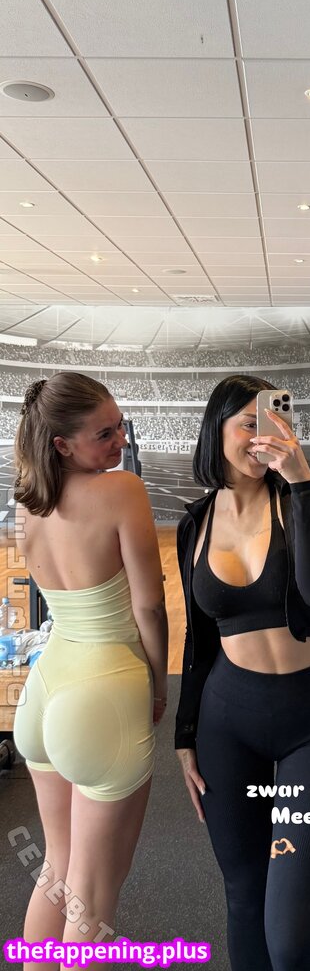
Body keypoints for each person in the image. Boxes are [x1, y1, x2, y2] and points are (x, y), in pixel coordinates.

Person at [175, 374, 310, 971]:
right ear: (217, 429)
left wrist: (300, 477)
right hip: (228, 722)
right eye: (247, 424)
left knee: (293, 938)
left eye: (271, 423)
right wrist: (185, 736)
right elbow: (199, 638)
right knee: (244, 900)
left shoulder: (302, 496)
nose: (259, 437)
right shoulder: (196, 522)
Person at [12, 371, 167, 966]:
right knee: (92, 899)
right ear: (62, 444)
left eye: (120, 426)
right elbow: (149, 607)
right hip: (104, 689)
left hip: (45, 692)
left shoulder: (28, 505)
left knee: (56, 869)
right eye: (105, 434)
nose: (121, 440)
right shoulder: (121, 491)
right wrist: (159, 683)